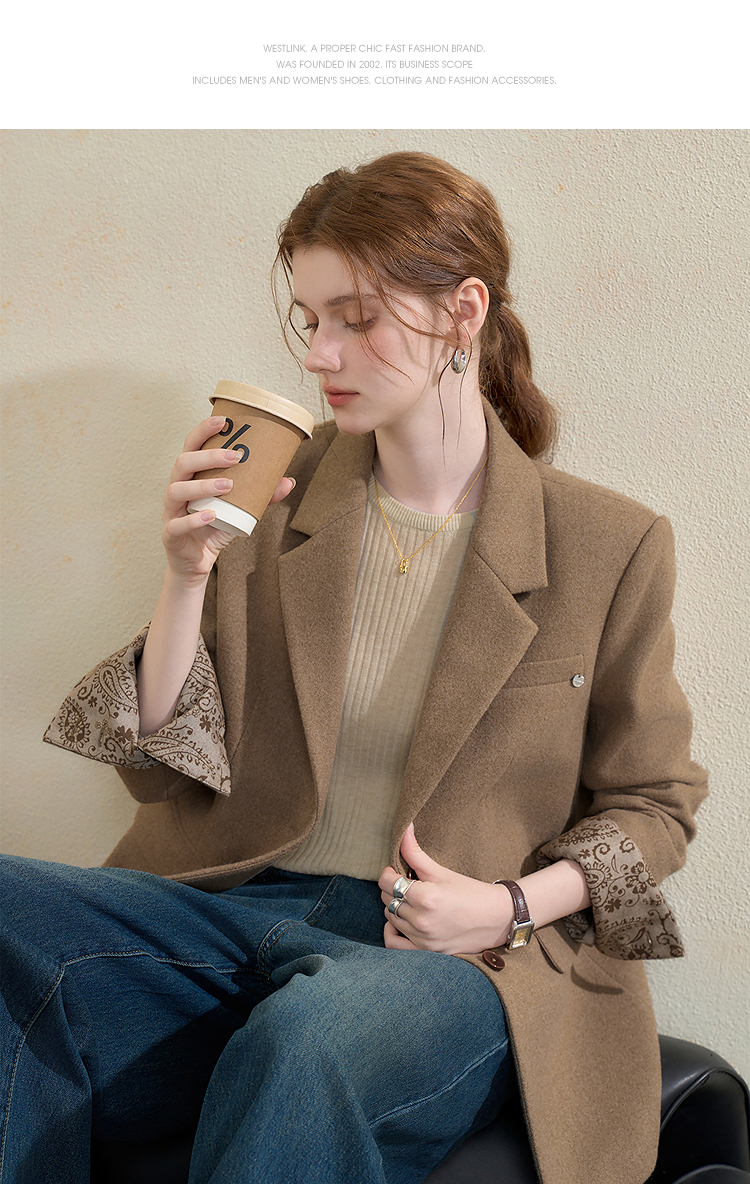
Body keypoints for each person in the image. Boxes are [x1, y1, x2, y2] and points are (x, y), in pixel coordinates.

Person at [1, 152, 707, 1184]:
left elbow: (655, 805)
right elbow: (160, 766)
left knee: (313, 1035)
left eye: (358, 317)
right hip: (236, 910)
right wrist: (186, 574)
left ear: (463, 312)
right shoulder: (276, 492)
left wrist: (507, 905)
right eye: (310, 319)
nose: (323, 353)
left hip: (455, 961)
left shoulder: (609, 543)